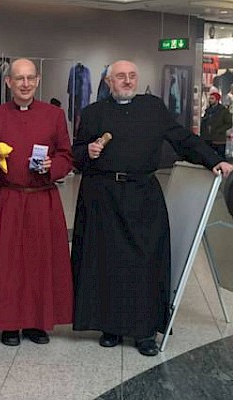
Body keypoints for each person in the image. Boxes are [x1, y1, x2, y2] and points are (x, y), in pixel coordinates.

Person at [71, 60, 233, 357]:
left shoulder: (153, 108)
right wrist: (87, 151)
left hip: (143, 195)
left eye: (133, 76)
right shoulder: (93, 114)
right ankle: (111, 327)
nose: (128, 81)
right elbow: (75, 154)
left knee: (145, 264)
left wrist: (213, 159)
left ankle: (145, 332)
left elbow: (182, 139)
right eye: (121, 76)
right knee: (109, 263)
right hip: (103, 198)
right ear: (108, 82)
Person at [0, 58, 73, 347]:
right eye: (18, 79)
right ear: (8, 82)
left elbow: (66, 155)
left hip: (42, 198)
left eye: (30, 78)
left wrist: (53, 165)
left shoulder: (54, 115)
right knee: (8, 262)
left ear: (37, 81)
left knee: (40, 262)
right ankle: (9, 323)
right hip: (9, 197)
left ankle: (38, 322)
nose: (25, 84)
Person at [200, 91, 231, 158]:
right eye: (210, 98)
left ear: (217, 100)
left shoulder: (223, 111)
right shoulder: (208, 110)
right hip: (207, 138)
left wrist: (219, 130)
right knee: (209, 156)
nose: (210, 100)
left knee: (220, 156)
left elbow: (229, 123)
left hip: (219, 139)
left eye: (212, 98)